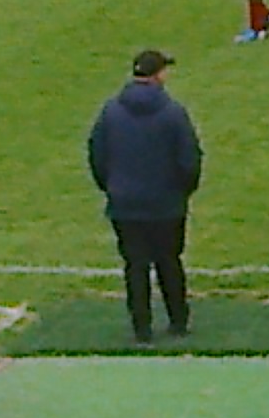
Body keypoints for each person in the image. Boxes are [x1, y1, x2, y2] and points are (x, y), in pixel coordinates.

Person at [87, 50, 203, 345]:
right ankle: (178, 321)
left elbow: (97, 155)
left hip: (125, 204)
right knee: (169, 262)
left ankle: (142, 329)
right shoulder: (173, 112)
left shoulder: (111, 111)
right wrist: (182, 192)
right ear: (158, 74)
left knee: (135, 266)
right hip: (166, 204)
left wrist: (111, 187)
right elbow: (189, 159)